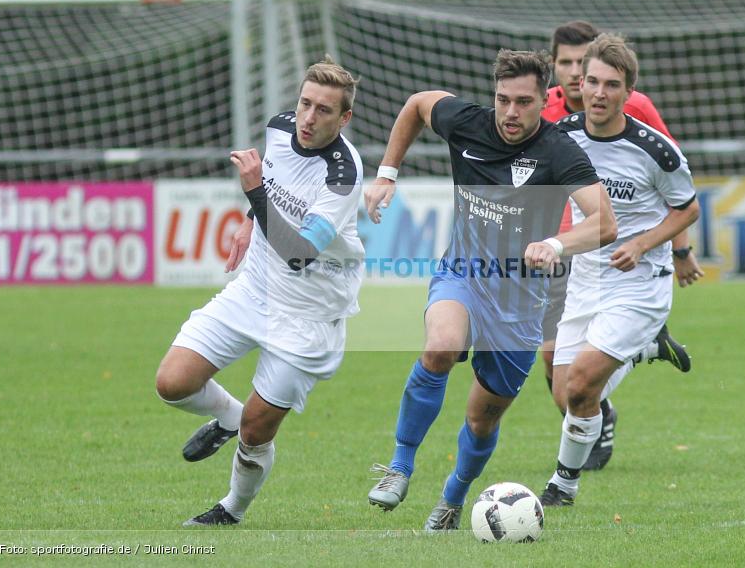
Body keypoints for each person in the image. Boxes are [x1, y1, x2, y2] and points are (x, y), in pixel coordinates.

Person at [364, 49, 617, 531]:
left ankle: (452, 499)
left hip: (519, 307)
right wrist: (387, 174)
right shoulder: (468, 123)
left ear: (546, 100)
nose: (510, 113)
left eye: (524, 102)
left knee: (482, 420)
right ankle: (399, 465)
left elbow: (606, 223)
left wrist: (556, 244)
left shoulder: (559, 151)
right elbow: (419, 103)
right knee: (440, 346)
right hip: (462, 274)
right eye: (503, 100)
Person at [154, 57, 364, 526]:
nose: (309, 118)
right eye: (305, 104)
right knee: (173, 383)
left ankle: (231, 509)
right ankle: (226, 417)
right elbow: (274, 184)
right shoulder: (279, 128)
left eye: (324, 111)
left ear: (344, 118)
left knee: (257, 428)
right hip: (255, 288)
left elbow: (299, 253)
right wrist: (251, 223)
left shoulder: (343, 175)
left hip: (309, 314)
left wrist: (253, 197)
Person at [539, 34, 700, 507]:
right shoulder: (561, 137)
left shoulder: (657, 151)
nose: (599, 93)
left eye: (612, 85)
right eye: (592, 81)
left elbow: (687, 209)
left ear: (629, 92)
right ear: (579, 83)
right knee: (566, 394)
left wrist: (647, 244)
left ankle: (563, 485)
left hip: (639, 281)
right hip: (583, 277)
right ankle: (642, 351)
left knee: (585, 380)